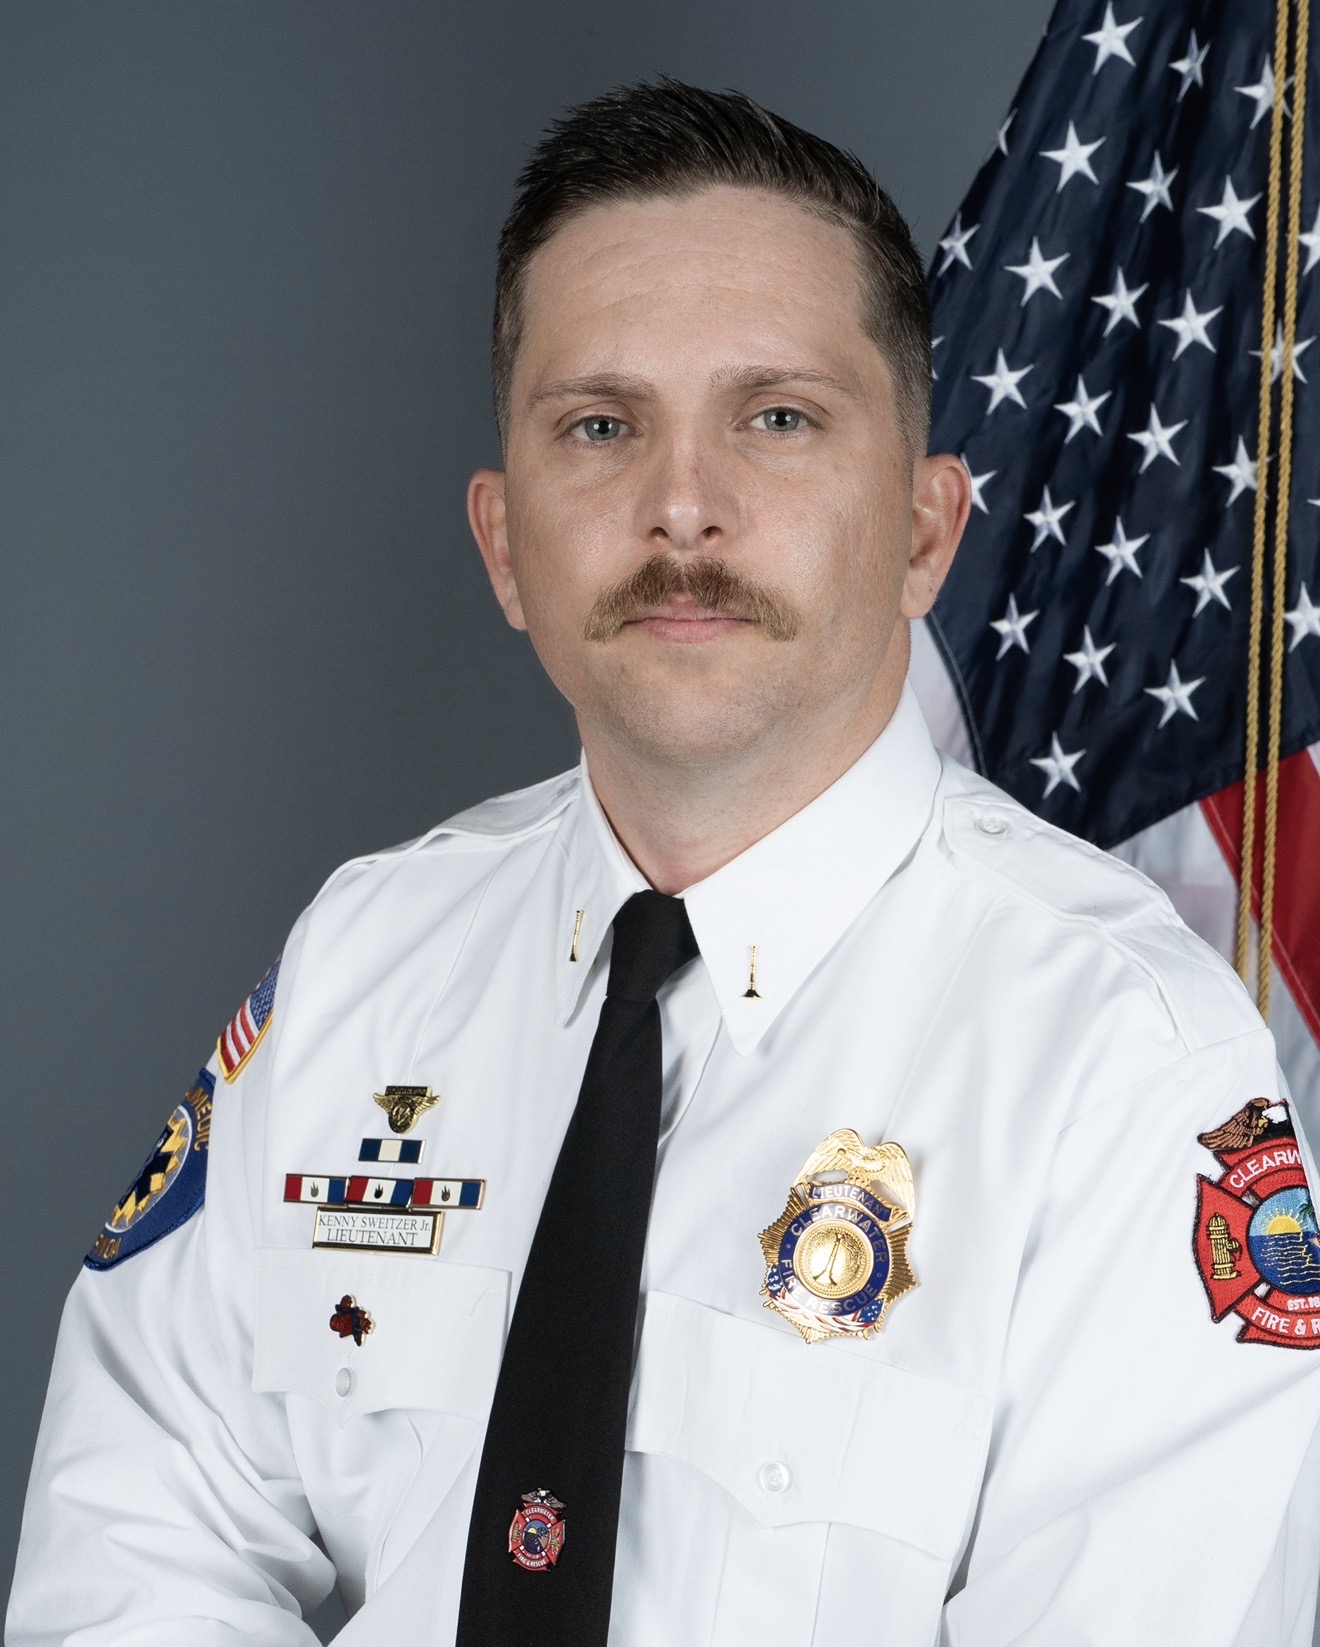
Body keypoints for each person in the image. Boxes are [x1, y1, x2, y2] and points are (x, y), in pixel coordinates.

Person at [9, 79, 1320, 1647]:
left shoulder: (1123, 1058)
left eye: (777, 418)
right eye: (600, 426)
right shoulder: (368, 958)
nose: (682, 508)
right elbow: (137, 1543)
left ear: (924, 530)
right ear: (505, 542)